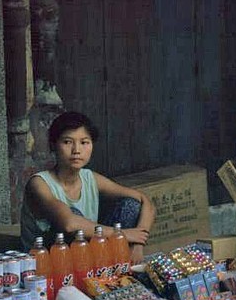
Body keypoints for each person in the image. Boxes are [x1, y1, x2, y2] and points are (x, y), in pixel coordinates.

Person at [21, 111, 156, 263]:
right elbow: (69, 224)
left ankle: (115, 266)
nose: (76, 150)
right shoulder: (39, 183)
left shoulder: (90, 177)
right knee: (73, 214)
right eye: (67, 142)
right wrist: (122, 234)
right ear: (53, 145)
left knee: (132, 205)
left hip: (88, 253)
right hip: (49, 261)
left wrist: (138, 243)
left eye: (84, 142)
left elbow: (145, 200)